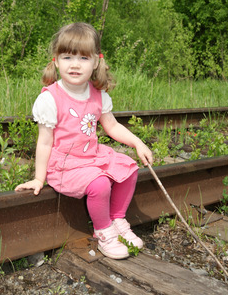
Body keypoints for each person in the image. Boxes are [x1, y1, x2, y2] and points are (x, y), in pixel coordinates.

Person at [15, 22, 153, 259]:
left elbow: (111, 126)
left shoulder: (98, 94)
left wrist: (137, 143)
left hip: (91, 156)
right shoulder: (51, 98)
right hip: (66, 164)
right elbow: (45, 142)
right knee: (99, 184)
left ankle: (117, 219)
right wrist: (39, 178)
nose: (75, 64)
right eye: (68, 57)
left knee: (129, 168)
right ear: (56, 61)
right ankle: (103, 232)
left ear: (96, 62)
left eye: (83, 58)